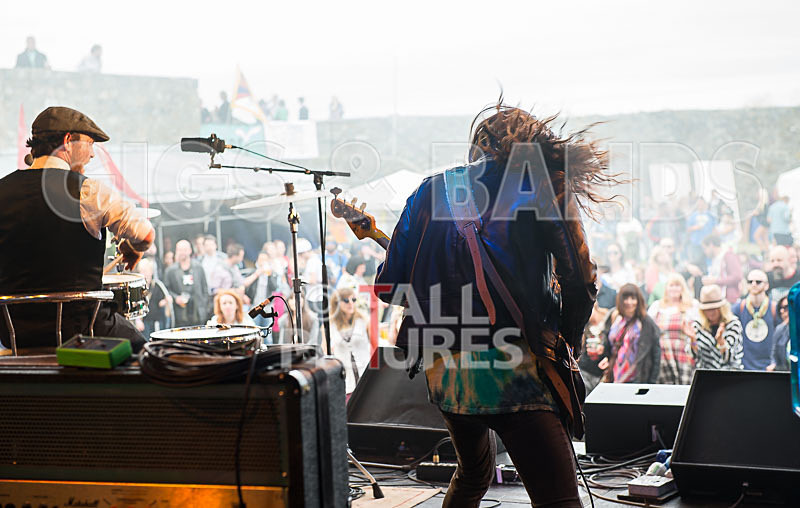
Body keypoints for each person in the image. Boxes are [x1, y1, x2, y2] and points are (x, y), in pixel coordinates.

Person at [374, 104, 612, 507]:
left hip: (447, 374)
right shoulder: (542, 185)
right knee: (559, 501)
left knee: (472, 475)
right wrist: (566, 342)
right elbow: (581, 280)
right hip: (515, 372)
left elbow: (389, 288)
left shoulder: (429, 191)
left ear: (476, 147)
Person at [0, 106, 154, 353]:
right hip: (84, 331)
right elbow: (145, 234)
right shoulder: (88, 191)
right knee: (146, 353)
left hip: (15, 335)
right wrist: (134, 248)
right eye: (90, 143)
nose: (93, 154)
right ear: (68, 141)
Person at [600, 284, 661, 384]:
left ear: (638, 300)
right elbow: (609, 346)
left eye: (633, 298)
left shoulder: (646, 322)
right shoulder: (616, 318)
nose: (629, 302)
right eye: (626, 298)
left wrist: (651, 382)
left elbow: (656, 354)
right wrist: (605, 356)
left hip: (638, 377)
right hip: (615, 375)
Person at [648, 273, 698, 384]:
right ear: (666, 288)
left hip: (683, 355)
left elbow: (697, 331)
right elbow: (648, 331)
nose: (674, 288)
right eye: (671, 285)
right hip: (662, 356)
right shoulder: (657, 306)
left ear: (682, 288)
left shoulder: (692, 305)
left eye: (677, 285)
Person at [733, 269, 778, 371]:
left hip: (768, 367)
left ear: (766, 285)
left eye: (758, 282)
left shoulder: (775, 308)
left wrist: (775, 363)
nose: (754, 284)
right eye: (750, 282)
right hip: (744, 367)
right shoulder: (738, 308)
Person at [329, 287, 371, 395]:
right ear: (337, 303)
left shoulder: (364, 320)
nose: (351, 303)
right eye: (346, 300)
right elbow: (326, 351)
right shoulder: (330, 325)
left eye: (354, 300)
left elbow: (375, 346)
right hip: (345, 379)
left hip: (365, 374)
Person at [690, 284, 743, 370]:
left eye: (714, 308)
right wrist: (693, 340)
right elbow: (694, 356)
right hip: (706, 375)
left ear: (722, 308)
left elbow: (730, 358)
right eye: (707, 309)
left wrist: (721, 341)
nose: (711, 312)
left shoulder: (733, 324)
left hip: (730, 375)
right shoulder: (697, 325)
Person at [163, 240, 210, 327]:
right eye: (179, 250)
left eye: (184, 249)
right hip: (180, 315)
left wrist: (205, 307)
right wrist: (176, 298)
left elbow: (205, 289)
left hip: (198, 313)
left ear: (190, 250)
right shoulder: (170, 271)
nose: (182, 252)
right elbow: (166, 290)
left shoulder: (198, 267)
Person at [135, 257, 172, 338]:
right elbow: (137, 306)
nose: (146, 274)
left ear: (151, 272)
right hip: (144, 322)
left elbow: (160, 302)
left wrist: (166, 301)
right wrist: (138, 321)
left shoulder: (158, 286)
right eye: (143, 271)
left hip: (156, 322)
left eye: (148, 271)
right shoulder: (137, 288)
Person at [700, 234, 742, 304]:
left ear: (711, 245)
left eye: (705, 248)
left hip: (729, 300)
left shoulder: (728, 255)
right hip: (719, 300)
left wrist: (715, 281)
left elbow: (737, 277)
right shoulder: (715, 259)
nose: (705, 252)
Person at [767, 296, 791, 372]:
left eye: (786, 307)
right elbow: (774, 354)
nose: (782, 311)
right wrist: (774, 365)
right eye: (781, 308)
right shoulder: (780, 329)